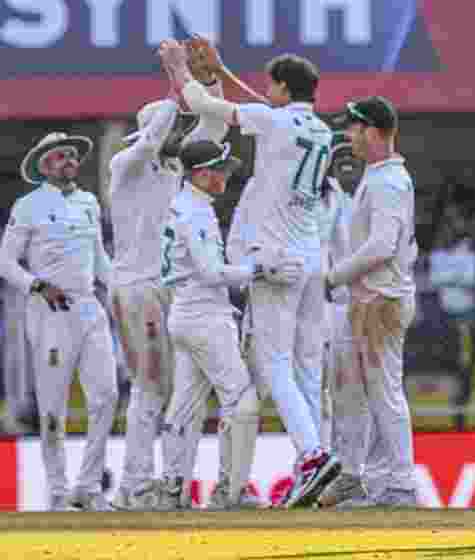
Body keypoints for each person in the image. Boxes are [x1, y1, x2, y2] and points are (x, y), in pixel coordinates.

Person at [157, 37, 340, 508]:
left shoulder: (273, 121)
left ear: (281, 86)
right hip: (309, 257)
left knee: (274, 364)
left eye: (269, 86)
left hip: (273, 256)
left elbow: (200, 102)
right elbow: (269, 111)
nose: (265, 92)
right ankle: (312, 460)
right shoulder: (318, 129)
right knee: (302, 366)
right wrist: (225, 68)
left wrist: (182, 69)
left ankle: (313, 456)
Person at [107, 59, 230, 510]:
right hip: (137, 287)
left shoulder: (177, 169)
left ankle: (171, 485)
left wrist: (206, 79)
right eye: (175, 125)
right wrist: (176, 84)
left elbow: (214, 121)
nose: (180, 135)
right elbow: (159, 133)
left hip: (170, 288)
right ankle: (135, 486)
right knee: (149, 386)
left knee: (183, 390)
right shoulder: (126, 164)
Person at [155, 140, 298, 509]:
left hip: (187, 315)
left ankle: (172, 488)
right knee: (243, 401)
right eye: (220, 169)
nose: (225, 176)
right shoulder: (195, 213)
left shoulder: (183, 205)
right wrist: (258, 271)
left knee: (184, 406)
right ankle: (231, 492)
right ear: (201, 173)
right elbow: (210, 272)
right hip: (204, 318)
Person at [0, 132, 119, 511]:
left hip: (89, 308)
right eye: (61, 155)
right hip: (50, 312)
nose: (69, 160)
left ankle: (88, 485)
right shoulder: (28, 206)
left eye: (72, 155)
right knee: (53, 405)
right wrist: (36, 286)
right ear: (44, 164)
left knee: (107, 396)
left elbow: (100, 259)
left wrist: (120, 293)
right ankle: (57, 488)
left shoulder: (89, 203)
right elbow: (5, 262)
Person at [320, 96, 420, 508]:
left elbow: (382, 245)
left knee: (384, 392)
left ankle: (400, 484)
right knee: (353, 392)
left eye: (354, 128)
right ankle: (356, 475)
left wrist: (334, 275)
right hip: (367, 299)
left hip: (382, 299)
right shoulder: (377, 175)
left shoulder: (389, 182)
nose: (348, 135)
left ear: (374, 132)